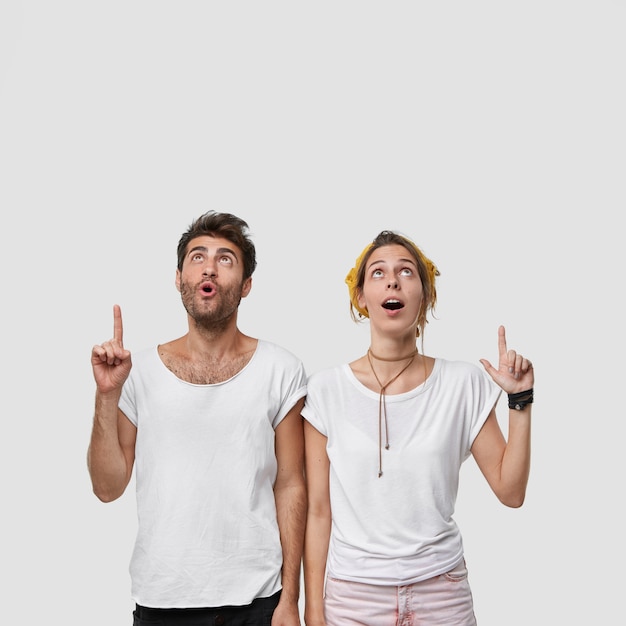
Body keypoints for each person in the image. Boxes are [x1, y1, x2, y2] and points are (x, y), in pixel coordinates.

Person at [302, 230, 534, 626]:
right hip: (353, 595)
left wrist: (521, 401)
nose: (392, 280)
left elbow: (510, 493)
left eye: (406, 272)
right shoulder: (326, 389)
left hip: (441, 592)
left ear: (424, 297)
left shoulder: (463, 383)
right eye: (378, 273)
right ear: (360, 297)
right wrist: (313, 608)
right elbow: (318, 511)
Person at [88, 211, 308, 626]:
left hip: (259, 602)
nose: (209, 266)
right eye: (197, 257)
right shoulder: (140, 373)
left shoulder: (281, 370)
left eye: (226, 258)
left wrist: (290, 600)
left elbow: (292, 483)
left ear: (245, 285)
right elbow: (106, 487)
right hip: (163, 601)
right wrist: (106, 395)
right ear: (178, 278)